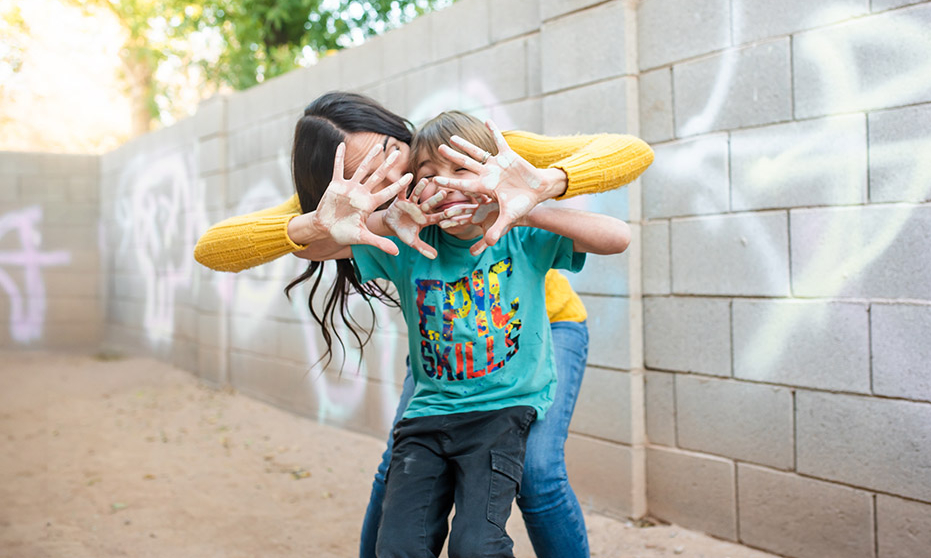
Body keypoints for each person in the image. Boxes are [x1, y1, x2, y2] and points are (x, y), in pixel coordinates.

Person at [193, 91, 654, 558]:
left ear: (401, 134)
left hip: (542, 328)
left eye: (392, 154)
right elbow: (216, 247)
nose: (394, 176)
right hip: (446, 348)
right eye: (368, 171)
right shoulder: (374, 209)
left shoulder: (471, 149)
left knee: (537, 472)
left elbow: (631, 155)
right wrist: (341, 221)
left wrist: (538, 189)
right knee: (399, 461)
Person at [304, 110, 631, 557]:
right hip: (438, 401)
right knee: (397, 518)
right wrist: (380, 221)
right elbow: (314, 246)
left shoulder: (516, 230)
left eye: (462, 170)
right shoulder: (406, 239)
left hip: (522, 373)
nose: (448, 184)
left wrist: (527, 207)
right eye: (430, 174)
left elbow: (617, 235)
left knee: (535, 479)